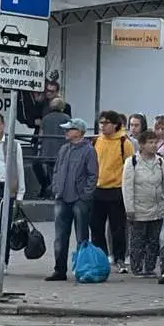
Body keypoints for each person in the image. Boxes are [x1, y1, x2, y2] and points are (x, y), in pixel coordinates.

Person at [46, 117, 98, 281]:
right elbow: (56, 170)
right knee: (60, 237)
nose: (66, 132)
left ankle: (82, 269)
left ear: (79, 132)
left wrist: (85, 195)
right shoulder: (64, 149)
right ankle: (59, 270)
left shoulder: (89, 150)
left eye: (69, 129)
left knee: (82, 236)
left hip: (79, 199)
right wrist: (55, 188)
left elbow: (92, 175)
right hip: (62, 197)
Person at [122, 129, 164, 276]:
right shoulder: (132, 162)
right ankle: (136, 268)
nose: (154, 145)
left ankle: (149, 268)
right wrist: (129, 208)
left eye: (155, 142)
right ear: (142, 145)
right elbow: (127, 187)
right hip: (138, 208)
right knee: (138, 240)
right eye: (150, 142)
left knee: (153, 240)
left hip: (157, 208)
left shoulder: (160, 161)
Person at [91, 111, 135, 272]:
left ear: (115, 124)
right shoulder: (96, 141)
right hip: (97, 189)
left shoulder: (124, 142)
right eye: (101, 123)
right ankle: (100, 257)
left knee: (118, 228)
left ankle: (120, 258)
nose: (103, 126)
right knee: (96, 227)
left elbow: (130, 167)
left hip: (116, 190)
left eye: (106, 123)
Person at [38, 96, 68, 196]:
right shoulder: (66, 118)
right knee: (61, 173)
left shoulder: (45, 119)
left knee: (51, 173)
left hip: (47, 151)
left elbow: (40, 135)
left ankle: (51, 192)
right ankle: (58, 193)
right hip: (62, 151)